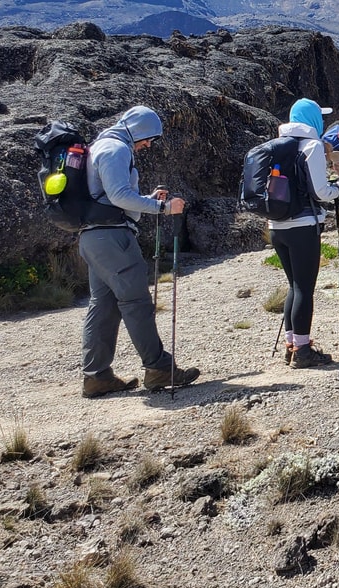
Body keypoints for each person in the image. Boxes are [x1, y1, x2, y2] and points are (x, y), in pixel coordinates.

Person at [78, 105, 199, 398]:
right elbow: (119, 195)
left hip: (94, 237)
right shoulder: (116, 149)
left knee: (104, 304)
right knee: (136, 303)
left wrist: (144, 200)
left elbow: (110, 197)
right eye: (149, 137)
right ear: (138, 130)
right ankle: (158, 369)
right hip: (114, 238)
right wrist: (162, 207)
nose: (148, 144)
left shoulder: (100, 146)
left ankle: (97, 377)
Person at [271, 98, 339, 368]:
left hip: (276, 226)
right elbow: (320, 191)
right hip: (303, 225)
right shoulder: (311, 146)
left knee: (293, 285)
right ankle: (302, 350)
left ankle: (291, 345)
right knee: (304, 288)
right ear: (312, 119)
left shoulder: (277, 147)